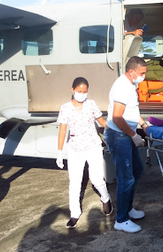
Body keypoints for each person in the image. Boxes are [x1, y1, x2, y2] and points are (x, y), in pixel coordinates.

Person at [56, 77, 112, 229]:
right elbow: (62, 131)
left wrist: (115, 131)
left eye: (85, 91)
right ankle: (74, 213)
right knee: (74, 183)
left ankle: (106, 198)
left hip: (93, 146)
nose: (82, 94)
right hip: (75, 148)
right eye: (79, 91)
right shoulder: (65, 108)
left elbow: (102, 121)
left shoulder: (91, 104)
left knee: (97, 179)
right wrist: (60, 151)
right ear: (72, 90)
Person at [104, 56, 149, 233]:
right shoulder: (123, 87)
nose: (143, 77)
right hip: (119, 135)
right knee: (126, 178)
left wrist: (143, 125)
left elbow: (132, 111)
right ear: (132, 72)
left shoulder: (131, 84)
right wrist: (133, 135)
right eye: (142, 73)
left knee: (137, 170)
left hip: (125, 134)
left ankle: (128, 208)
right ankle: (121, 220)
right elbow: (117, 117)